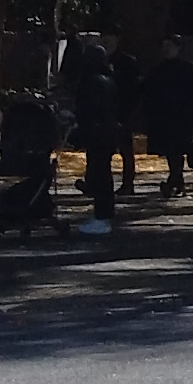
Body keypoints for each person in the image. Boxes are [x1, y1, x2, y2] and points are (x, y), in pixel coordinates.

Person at [57, 31, 124, 235]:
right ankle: (105, 214)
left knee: (98, 173)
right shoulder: (108, 80)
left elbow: (88, 108)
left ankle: (101, 216)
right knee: (103, 173)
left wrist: (74, 119)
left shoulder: (91, 82)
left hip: (96, 133)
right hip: (108, 132)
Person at [141, 39, 193, 207]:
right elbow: (149, 92)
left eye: (171, 46)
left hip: (184, 116)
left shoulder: (187, 68)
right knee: (171, 151)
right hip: (165, 116)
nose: (167, 50)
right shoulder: (158, 69)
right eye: (165, 46)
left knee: (178, 149)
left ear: (178, 48)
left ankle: (173, 181)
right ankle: (177, 181)